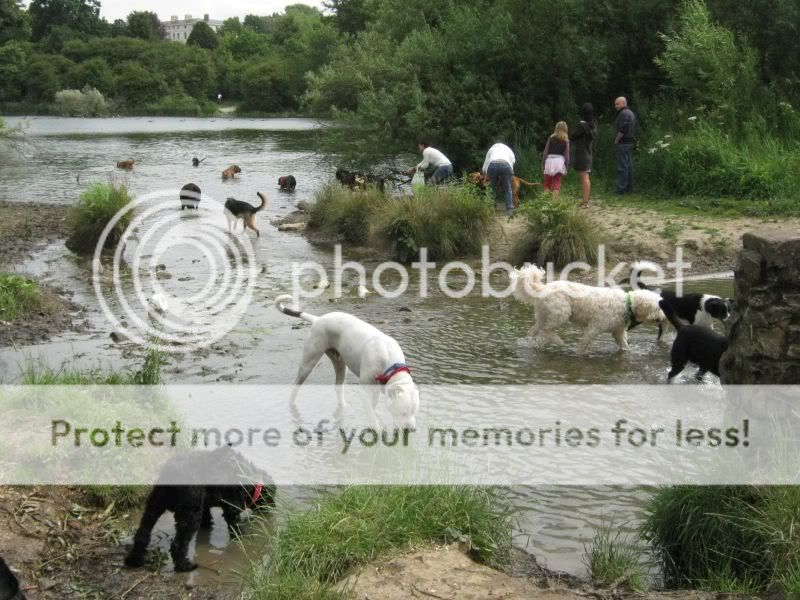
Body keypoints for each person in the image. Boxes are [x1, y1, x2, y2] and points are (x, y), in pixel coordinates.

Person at [570, 102, 597, 208]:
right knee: (586, 176)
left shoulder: (582, 125)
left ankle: (585, 202)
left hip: (582, 154)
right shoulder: (593, 124)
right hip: (588, 153)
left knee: (585, 177)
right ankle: (585, 201)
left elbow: (572, 137)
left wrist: (579, 124)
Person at [481, 140, 516, 216]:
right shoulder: (507, 149)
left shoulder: (491, 149)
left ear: (495, 145)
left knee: (491, 188)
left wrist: (484, 175)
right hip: (506, 165)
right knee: (507, 189)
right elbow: (513, 160)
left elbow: (485, 165)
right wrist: (511, 171)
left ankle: (490, 209)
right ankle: (509, 210)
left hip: (493, 165)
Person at [614, 96, 636, 194]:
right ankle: (629, 188)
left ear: (623, 103)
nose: (616, 106)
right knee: (629, 166)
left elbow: (622, 129)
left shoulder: (624, 113)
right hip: (630, 142)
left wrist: (617, 140)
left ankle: (621, 189)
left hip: (623, 143)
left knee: (622, 166)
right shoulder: (631, 113)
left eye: (617, 104)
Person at [542, 121, 570, 198]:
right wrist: (566, 167)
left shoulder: (551, 138)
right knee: (556, 185)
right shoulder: (566, 140)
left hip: (549, 161)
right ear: (565, 129)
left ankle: (544, 203)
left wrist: (543, 163)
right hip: (559, 162)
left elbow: (545, 152)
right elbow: (567, 156)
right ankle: (554, 205)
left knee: (547, 184)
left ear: (556, 128)